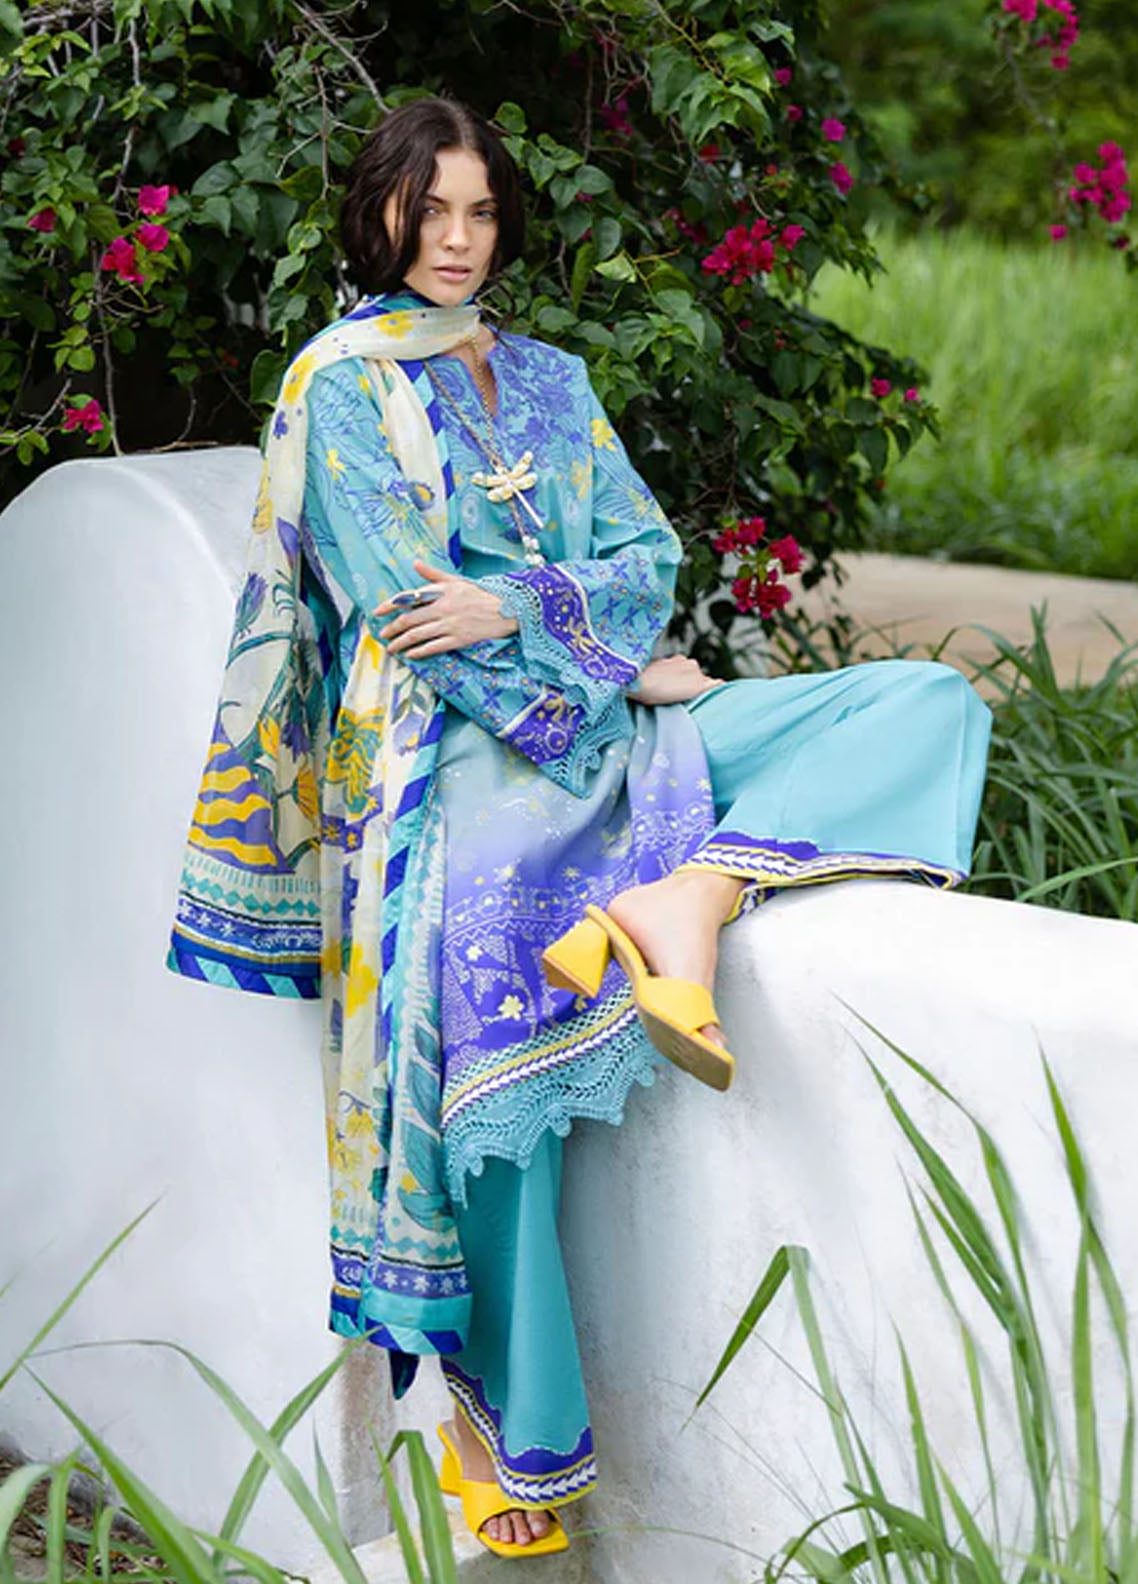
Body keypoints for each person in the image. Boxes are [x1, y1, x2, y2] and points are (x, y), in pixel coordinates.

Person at [168, 96, 991, 1557]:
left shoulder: (550, 377)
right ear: (381, 214)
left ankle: (690, 900)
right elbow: (409, 616)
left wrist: (538, 616)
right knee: (490, 1044)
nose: (457, 240)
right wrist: (597, 659)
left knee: (925, 702)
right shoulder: (339, 388)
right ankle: (520, 1451)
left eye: (480, 213)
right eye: (431, 212)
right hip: (447, 769)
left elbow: (644, 554)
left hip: (617, 734)